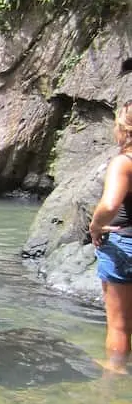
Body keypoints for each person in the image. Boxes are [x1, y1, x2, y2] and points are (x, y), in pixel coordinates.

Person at [89, 100, 132, 374]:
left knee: (119, 325)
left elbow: (110, 204)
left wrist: (95, 226)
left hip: (125, 246)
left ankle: (113, 380)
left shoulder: (124, 162)